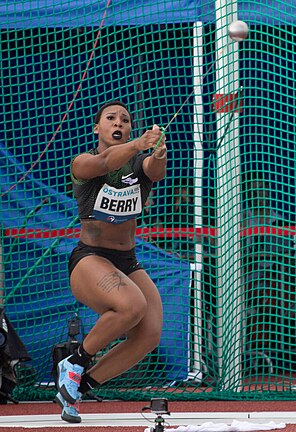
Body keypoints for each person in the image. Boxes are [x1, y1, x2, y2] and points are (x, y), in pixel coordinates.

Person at [55, 101, 167, 423]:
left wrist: (158, 152)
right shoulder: (84, 162)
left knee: (150, 331)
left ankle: (78, 386)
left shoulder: (137, 162)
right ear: (97, 128)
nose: (119, 122)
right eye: (111, 118)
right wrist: (138, 143)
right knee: (132, 305)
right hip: (89, 258)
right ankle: (74, 362)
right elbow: (105, 161)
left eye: (125, 119)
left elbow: (154, 171)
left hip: (126, 259)